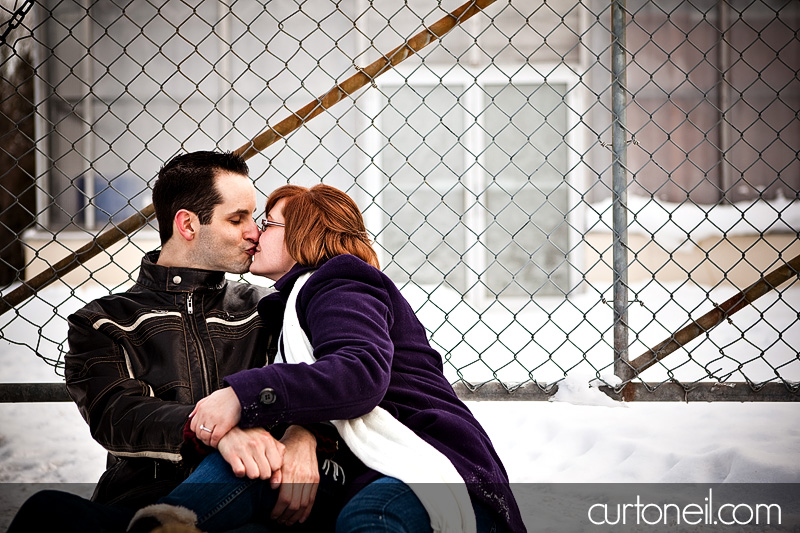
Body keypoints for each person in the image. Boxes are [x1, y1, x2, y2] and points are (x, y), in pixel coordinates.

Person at [141, 184, 526, 532]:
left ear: (303, 233)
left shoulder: (342, 281)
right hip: (357, 466)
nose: (255, 233)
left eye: (267, 223)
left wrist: (241, 395)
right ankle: (164, 522)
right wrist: (298, 434)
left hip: (430, 463)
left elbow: (358, 373)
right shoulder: (288, 305)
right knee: (257, 461)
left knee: (374, 517)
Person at [8, 151, 334, 533]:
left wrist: (305, 434)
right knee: (47, 512)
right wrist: (217, 431)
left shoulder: (266, 310)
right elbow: (117, 414)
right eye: (237, 218)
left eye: (253, 217)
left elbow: (320, 380)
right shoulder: (104, 321)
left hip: (250, 500)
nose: (254, 232)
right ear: (188, 224)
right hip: (140, 501)